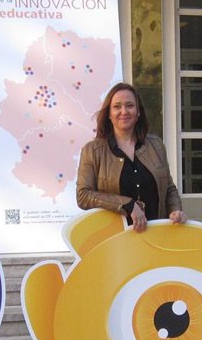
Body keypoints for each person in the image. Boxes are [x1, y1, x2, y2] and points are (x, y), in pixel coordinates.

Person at [76, 82, 186, 232]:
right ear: (109, 114)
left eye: (130, 105)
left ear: (138, 111)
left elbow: (169, 188)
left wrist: (175, 210)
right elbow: (83, 196)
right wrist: (127, 204)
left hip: (157, 236)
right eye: (117, 107)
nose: (124, 111)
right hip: (114, 239)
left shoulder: (156, 145)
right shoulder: (93, 151)